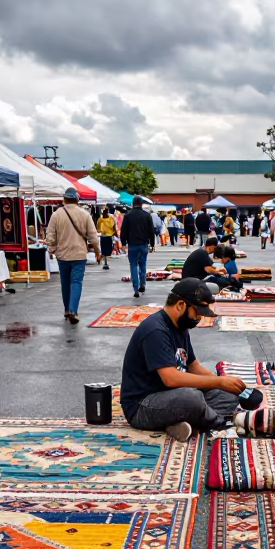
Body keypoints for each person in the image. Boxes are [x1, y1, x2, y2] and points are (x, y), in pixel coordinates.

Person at [119, 278, 244, 441]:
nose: (198, 319)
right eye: (197, 313)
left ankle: (178, 423)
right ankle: (218, 424)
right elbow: (170, 378)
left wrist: (223, 382)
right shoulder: (155, 330)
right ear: (180, 305)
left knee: (227, 395)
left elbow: (193, 367)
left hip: (170, 398)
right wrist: (218, 382)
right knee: (192, 398)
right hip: (142, 406)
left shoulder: (180, 326)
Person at [45, 187, 100, 324]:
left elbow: (50, 234)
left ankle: (67, 310)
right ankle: (73, 310)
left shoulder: (56, 214)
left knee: (65, 283)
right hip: (79, 255)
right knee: (76, 283)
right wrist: (98, 252)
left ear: (64, 199)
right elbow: (93, 237)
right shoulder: (85, 214)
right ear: (77, 199)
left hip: (62, 255)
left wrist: (51, 248)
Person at [120, 196, 155, 298]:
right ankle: (142, 284)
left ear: (132, 204)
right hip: (143, 244)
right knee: (143, 264)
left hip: (132, 245)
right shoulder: (146, 215)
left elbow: (123, 231)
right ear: (141, 204)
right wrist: (152, 244)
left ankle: (135, 289)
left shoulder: (127, 216)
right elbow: (151, 231)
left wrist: (123, 243)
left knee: (133, 266)